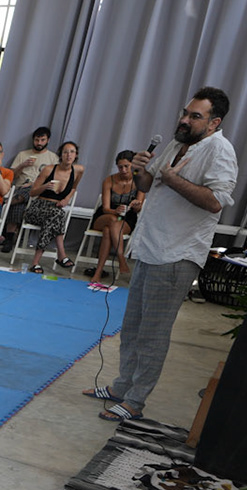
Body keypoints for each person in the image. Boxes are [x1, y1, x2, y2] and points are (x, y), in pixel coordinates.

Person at [91, 89, 237, 423]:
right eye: (185, 112)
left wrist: (173, 179)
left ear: (214, 122)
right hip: (150, 246)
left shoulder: (219, 151)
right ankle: (122, 387)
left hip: (176, 254)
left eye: (195, 116)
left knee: (153, 333)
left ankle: (136, 401)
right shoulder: (177, 143)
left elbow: (216, 201)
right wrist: (141, 170)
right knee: (132, 327)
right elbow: (148, 183)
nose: (184, 120)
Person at [23, 142, 85, 273]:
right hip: (39, 207)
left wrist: (66, 199)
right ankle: (61, 255)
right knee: (58, 215)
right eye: (65, 152)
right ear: (60, 155)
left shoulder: (78, 170)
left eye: (72, 152)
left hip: (55, 209)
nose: (69, 155)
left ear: (76, 155)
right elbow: (32, 193)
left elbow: (73, 188)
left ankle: (36, 262)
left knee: (55, 216)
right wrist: (45, 186)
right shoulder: (49, 169)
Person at [90, 151, 146, 286]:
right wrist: (115, 211)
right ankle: (121, 257)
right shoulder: (109, 180)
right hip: (106, 215)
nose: (123, 170)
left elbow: (139, 207)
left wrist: (136, 205)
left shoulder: (140, 181)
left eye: (127, 166)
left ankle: (98, 272)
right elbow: (105, 208)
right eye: (120, 167)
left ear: (133, 165)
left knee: (108, 230)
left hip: (126, 218)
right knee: (112, 220)